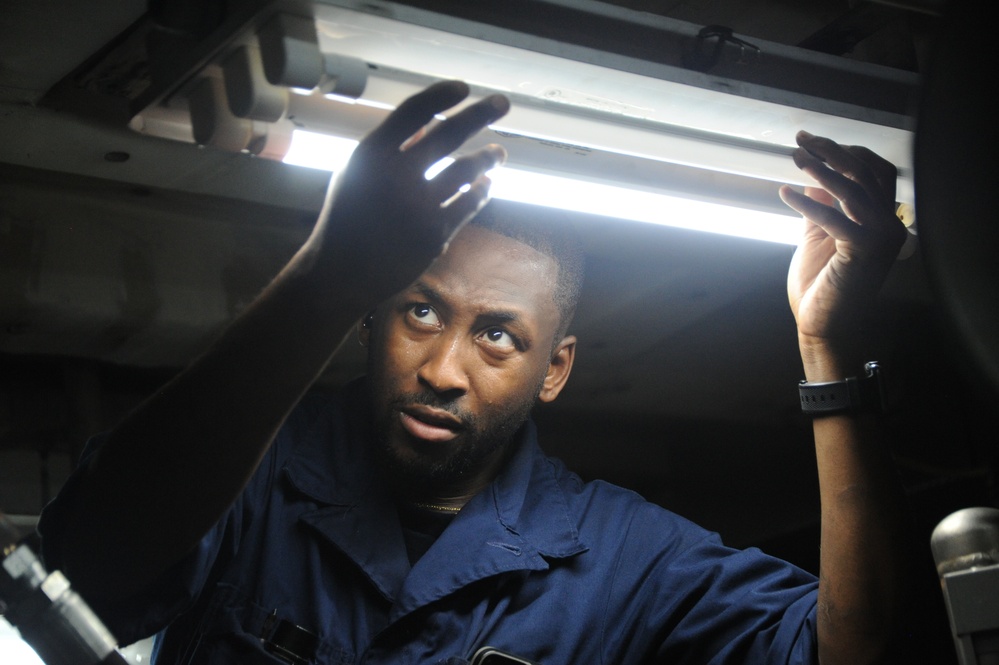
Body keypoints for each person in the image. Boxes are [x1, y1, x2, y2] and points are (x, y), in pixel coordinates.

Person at [37, 80, 908, 664]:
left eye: (497, 336)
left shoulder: (622, 558)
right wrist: (328, 272)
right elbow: (78, 572)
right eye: (421, 311)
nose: (444, 369)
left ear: (554, 369)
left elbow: (852, 653)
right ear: (374, 307)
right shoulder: (245, 477)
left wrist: (826, 351)